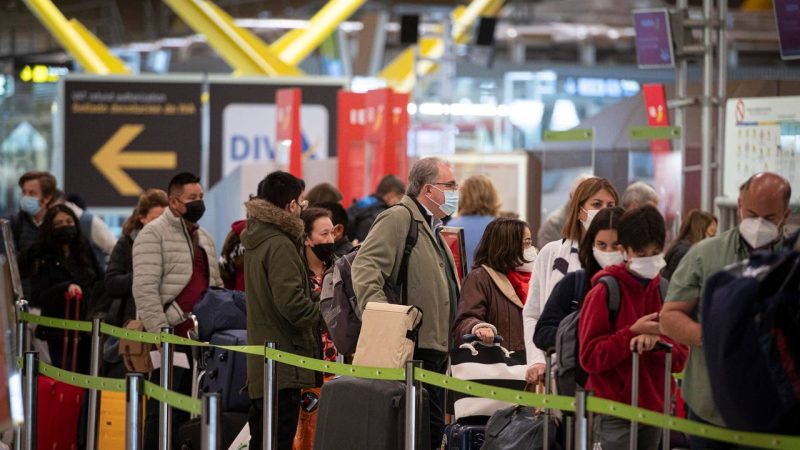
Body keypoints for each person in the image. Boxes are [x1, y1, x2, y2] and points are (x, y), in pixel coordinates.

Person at [660, 172, 791, 450]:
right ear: (740, 204)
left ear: (785, 215)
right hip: (710, 410)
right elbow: (669, 317)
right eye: (752, 213)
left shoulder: (794, 261)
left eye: (768, 219)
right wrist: (716, 335)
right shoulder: (705, 254)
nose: (757, 224)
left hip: (779, 411)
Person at [351, 157, 460, 449]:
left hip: (435, 350)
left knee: (431, 432)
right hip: (411, 351)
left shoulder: (432, 226)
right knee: (416, 434)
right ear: (427, 189)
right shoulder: (399, 218)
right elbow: (365, 268)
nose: (455, 191)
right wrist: (387, 325)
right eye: (449, 185)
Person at [579, 206, 687, 450]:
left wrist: (658, 342)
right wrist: (631, 334)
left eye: (655, 252)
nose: (649, 259)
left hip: (656, 410)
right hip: (613, 412)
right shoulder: (604, 292)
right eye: (640, 253)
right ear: (623, 251)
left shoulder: (666, 291)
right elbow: (589, 357)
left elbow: (680, 358)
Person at [132, 172, 222, 450]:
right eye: (191, 198)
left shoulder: (204, 237)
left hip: (201, 340)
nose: (198, 203)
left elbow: (215, 283)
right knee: (162, 410)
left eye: (201, 197)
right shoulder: (153, 233)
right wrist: (162, 332)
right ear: (173, 202)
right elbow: (144, 289)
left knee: (192, 411)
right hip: (169, 340)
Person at [242, 171, 321, 450]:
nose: (303, 207)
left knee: (264, 439)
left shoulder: (258, 238)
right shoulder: (279, 244)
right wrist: (326, 314)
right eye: (302, 202)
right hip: (283, 362)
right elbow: (293, 305)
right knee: (276, 439)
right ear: (290, 205)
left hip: (266, 363)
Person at [523, 177, 619, 383]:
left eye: (610, 205)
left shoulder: (622, 259)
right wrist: (536, 360)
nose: (604, 211)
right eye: (596, 204)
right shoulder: (551, 253)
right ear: (579, 210)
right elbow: (532, 314)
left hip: (609, 368)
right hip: (559, 367)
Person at [533, 206, 625, 353]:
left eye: (616, 245)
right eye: (601, 244)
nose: (609, 252)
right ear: (592, 245)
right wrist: (582, 335)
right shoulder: (574, 282)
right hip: (580, 372)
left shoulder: (640, 285)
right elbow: (542, 333)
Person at [28, 204, 103, 372]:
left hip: (87, 330)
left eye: (69, 221)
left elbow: (100, 281)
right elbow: (38, 295)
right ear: (50, 228)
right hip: (56, 333)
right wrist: (65, 288)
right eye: (59, 223)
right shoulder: (41, 256)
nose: (66, 226)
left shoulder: (84, 249)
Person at [452, 218, 535, 363]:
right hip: (497, 365)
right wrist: (478, 327)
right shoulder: (480, 278)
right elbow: (463, 321)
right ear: (508, 245)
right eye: (526, 243)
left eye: (530, 243)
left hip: (529, 365)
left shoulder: (532, 279)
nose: (531, 249)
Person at [295, 207, 338, 450]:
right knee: (305, 431)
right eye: (324, 234)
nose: (330, 239)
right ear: (307, 238)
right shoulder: (297, 275)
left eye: (332, 233)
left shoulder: (339, 271)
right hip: (308, 365)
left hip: (337, 364)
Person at [105, 189, 168, 328]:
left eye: (165, 220)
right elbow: (111, 283)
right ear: (142, 218)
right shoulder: (126, 243)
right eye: (155, 220)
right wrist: (142, 277)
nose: (161, 226)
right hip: (133, 320)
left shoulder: (175, 244)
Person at [8, 171, 57, 299]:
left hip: (51, 300)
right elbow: (7, 264)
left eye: (32, 193)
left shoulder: (58, 224)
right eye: (24, 192)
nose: (25, 197)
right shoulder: (13, 224)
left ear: (47, 198)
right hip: (22, 299)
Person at [447, 175, 501, 271]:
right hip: (491, 284)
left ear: (463, 196)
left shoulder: (451, 227)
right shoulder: (501, 227)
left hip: (461, 284)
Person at [536, 173, 593, 247]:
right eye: (582, 197)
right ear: (571, 196)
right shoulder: (553, 225)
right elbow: (549, 257)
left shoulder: (596, 220)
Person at [347, 174, 406, 243]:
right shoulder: (382, 216)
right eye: (400, 198)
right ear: (390, 197)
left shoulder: (364, 202)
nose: (402, 202)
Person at [661, 209, 717, 281]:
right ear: (700, 230)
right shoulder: (685, 252)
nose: (715, 238)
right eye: (712, 233)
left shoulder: (681, 247)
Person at [219, 220, 247, 291]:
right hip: (241, 298)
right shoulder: (235, 236)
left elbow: (224, 273)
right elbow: (225, 273)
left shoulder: (235, 235)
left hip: (240, 297)